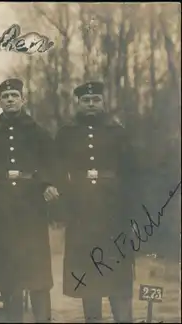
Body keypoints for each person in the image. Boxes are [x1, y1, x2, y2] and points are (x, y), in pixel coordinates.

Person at [0, 78, 59, 322]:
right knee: (7, 268)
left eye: (14, 95)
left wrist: (47, 184)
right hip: (0, 208)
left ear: (23, 99)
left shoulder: (38, 132)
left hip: (30, 206)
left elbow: (51, 164)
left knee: (37, 269)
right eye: (5, 97)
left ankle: (42, 318)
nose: (10, 99)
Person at [54, 81, 135, 323]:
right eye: (86, 100)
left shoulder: (118, 131)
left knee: (117, 270)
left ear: (103, 102)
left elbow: (132, 172)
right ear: (78, 103)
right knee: (87, 270)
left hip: (114, 212)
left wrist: (131, 212)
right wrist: (64, 205)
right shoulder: (66, 133)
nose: (91, 104)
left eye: (96, 100)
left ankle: (124, 319)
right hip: (82, 212)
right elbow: (57, 170)